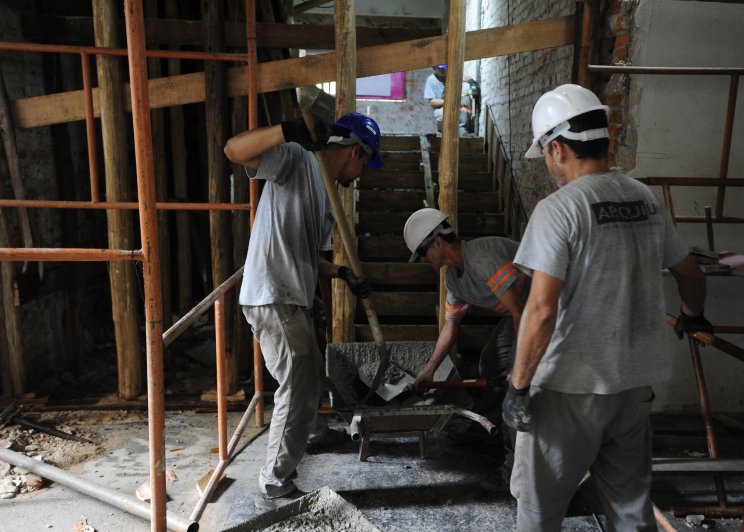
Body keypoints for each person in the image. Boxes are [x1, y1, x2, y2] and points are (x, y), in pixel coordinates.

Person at [503, 84, 713, 531]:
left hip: (569, 389)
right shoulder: (646, 198)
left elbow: (541, 311)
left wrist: (518, 386)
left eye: (543, 152)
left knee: (539, 508)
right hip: (633, 387)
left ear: (557, 148)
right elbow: (691, 273)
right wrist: (693, 315)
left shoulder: (559, 210)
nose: (546, 162)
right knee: (630, 507)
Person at [224, 112, 382, 505]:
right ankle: (275, 480)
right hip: (272, 293)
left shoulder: (326, 194)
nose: (361, 173)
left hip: (291, 295)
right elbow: (233, 150)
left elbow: (314, 258)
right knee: (296, 387)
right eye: (365, 162)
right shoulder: (296, 158)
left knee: (309, 374)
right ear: (355, 151)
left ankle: (311, 432)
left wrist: (343, 272)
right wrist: (284, 130)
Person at [403, 207, 529, 492]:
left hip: (550, 307)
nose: (423, 260)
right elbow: (451, 328)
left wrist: (520, 369)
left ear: (437, 241)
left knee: (516, 386)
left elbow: (521, 312)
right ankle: (491, 427)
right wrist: (428, 370)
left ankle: (513, 470)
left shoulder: (482, 257)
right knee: (491, 361)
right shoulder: (453, 280)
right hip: (523, 311)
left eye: (422, 253)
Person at [423, 64, 474, 135]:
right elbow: (432, 102)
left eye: (445, 67)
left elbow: (465, 77)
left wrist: (472, 82)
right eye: (441, 68)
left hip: (455, 105)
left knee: (466, 98)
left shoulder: (451, 75)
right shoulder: (431, 80)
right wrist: (449, 102)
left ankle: (463, 128)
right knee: (442, 114)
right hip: (441, 108)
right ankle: (443, 131)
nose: (443, 70)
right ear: (434, 68)